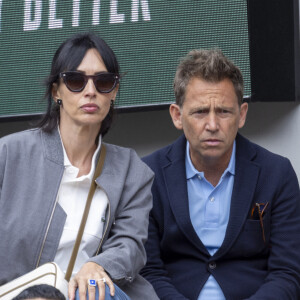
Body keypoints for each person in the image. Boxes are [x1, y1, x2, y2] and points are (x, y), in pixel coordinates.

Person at [0, 32, 158, 300]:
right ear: (56, 91)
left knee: (99, 289)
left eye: (104, 82)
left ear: (114, 91)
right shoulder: (9, 154)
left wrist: (98, 266)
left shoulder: (131, 169)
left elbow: (130, 244)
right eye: (75, 80)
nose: (90, 91)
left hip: (87, 296)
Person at [140, 49, 300, 299]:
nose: (213, 125)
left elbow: (287, 273)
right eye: (200, 111)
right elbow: (148, 272)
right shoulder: (147, 176)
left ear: (242, 114)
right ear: (177, 116)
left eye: (224, 112)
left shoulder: (277, 174)